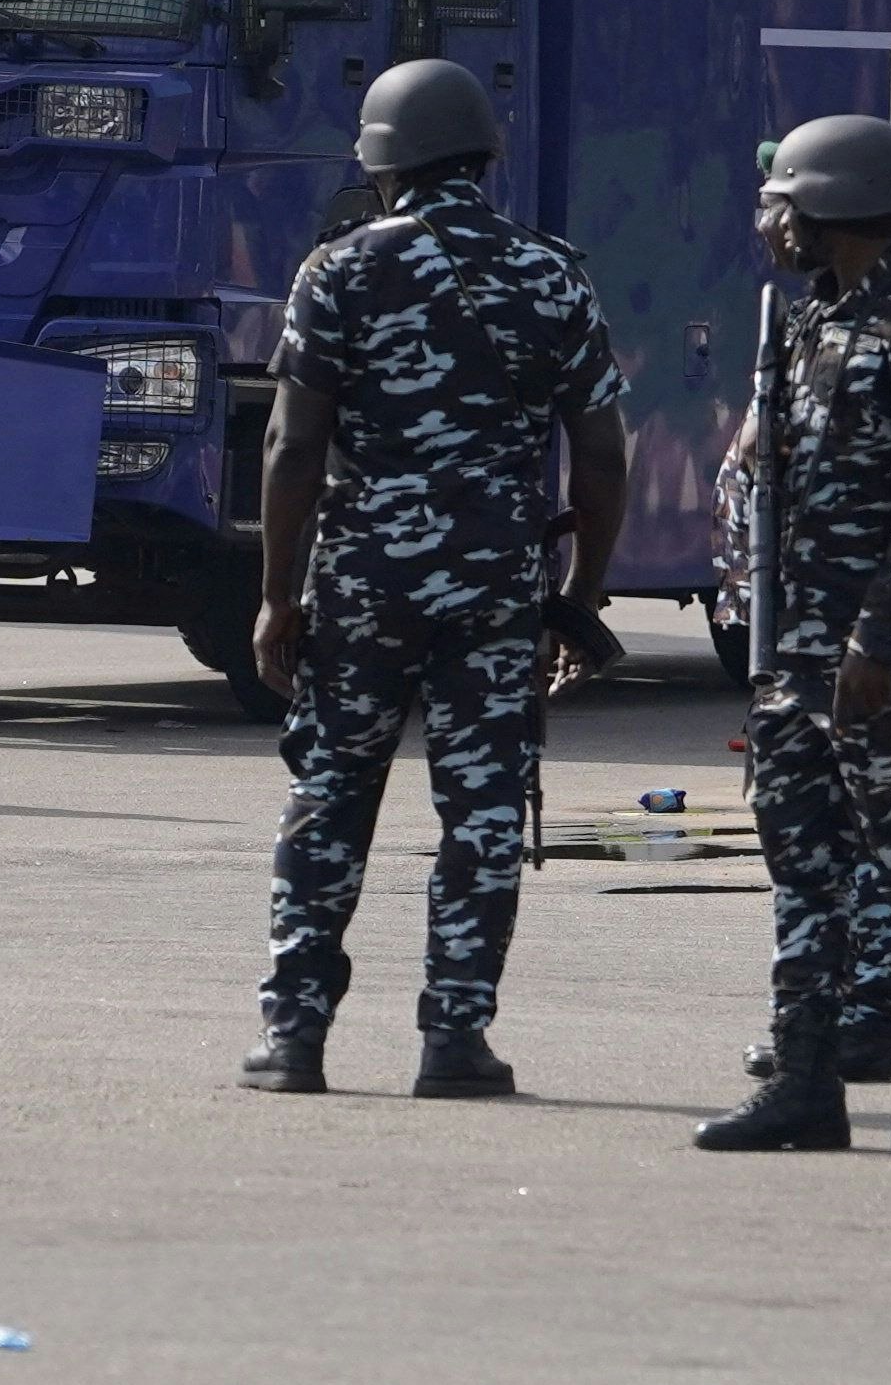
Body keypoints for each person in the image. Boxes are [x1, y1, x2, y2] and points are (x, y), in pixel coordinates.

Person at [246, 61, 628, 1100]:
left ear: (381, 161)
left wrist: (278, 594)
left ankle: (294, 1038)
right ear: (481, 155)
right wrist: (579, 597)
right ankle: (455, 1040)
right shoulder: (551, 273)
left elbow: (291, 446)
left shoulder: (338, 272)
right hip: (496, 589)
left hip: (363, 584)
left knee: (330, 800)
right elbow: (601, 457)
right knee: (483, 813)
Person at [695, 114, 891, 1160]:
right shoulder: (803, 320)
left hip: (875, 660)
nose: (767, 223)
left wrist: (880, 643)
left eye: (780, 205)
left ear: (830, 208)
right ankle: (805, 1083)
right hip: (794, 655)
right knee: (803, 872)